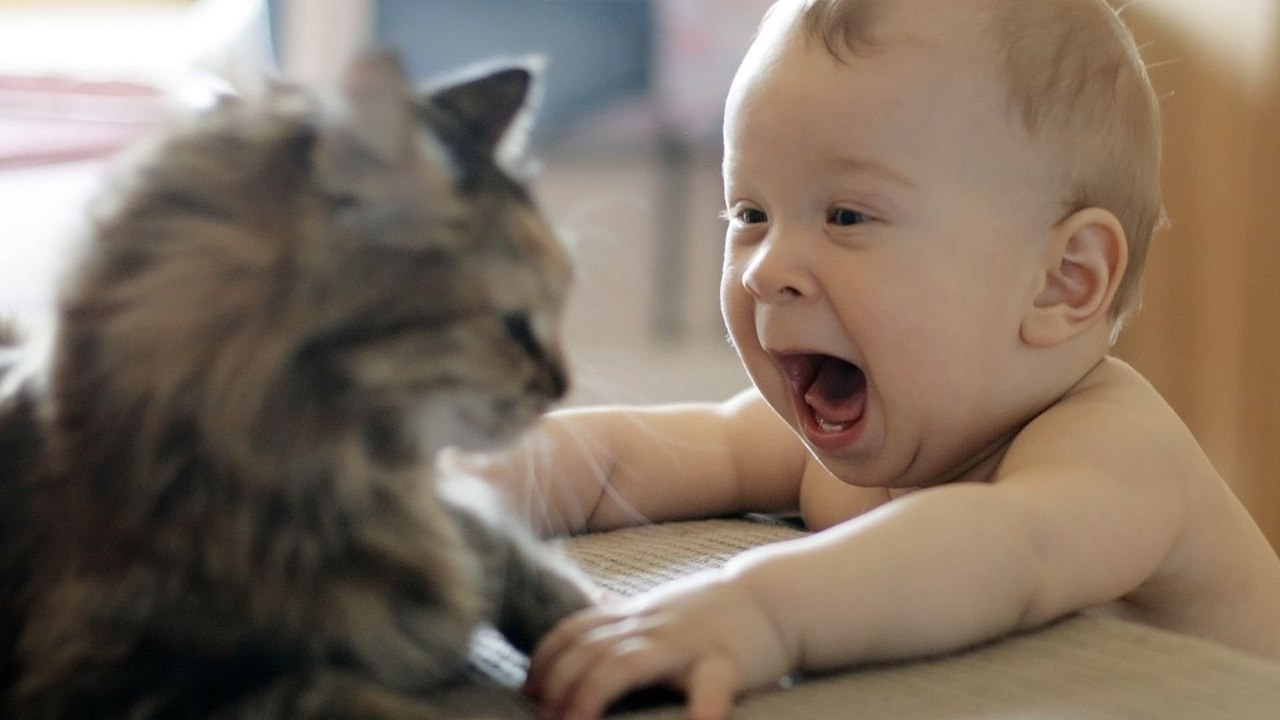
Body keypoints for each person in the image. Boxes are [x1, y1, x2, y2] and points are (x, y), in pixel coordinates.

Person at [462, 1, 1280, 718]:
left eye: (848, 216)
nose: (764, 268)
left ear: (1061, 281)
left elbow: (998, 552)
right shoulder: (852, 436)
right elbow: (627, 458)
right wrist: (458, 493)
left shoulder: (1117, 452)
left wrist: (760, 612)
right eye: (750, 211)